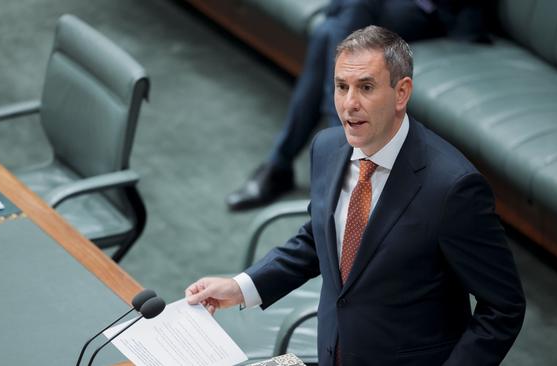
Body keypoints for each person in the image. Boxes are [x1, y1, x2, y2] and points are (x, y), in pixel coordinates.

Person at [188, 25, 525, 365]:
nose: (349, 104)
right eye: (341, 87)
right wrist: (242, 287)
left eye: (366, 87)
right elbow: (320, 237)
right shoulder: (327, 147)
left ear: (401, 92)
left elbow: (503, 307)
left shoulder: (453, 188)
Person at [226, 0, 491, 210]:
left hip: (435, 11)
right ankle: (342, 147)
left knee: (339, 22)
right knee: (330, 30)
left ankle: (286, 161)